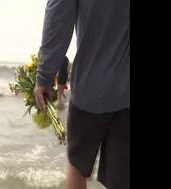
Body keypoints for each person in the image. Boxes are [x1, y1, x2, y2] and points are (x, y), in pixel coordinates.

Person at [34, 0, 129, 188]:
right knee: (122, 176)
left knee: (77, 166)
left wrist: (44, 76)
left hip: (89, 89)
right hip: (126, 91)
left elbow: (57, 21)